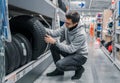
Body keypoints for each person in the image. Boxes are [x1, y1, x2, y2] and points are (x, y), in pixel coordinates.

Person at [44, 11, 88, 80]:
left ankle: (79, 69)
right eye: (65, 22)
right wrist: (42, 28)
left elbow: (71, 49)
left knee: (60, 64)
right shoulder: (66, 25)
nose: (65, 24)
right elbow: (55, 33)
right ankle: (59, 71)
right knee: (53, 46)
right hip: (72, 52)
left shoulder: (81, 34)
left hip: (80, 56)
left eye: (68, 23)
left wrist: (55, 42)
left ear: (75, 23)